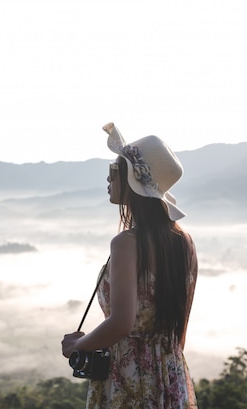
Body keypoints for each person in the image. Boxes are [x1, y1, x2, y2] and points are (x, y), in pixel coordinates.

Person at [61, 123, 198, 409]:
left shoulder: (125, 243)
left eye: (114, 172)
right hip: (171, 374)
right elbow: (180, 328)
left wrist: (78, 346)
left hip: (128, 376)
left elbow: (122, 323)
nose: (107, 179)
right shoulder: (184, 242)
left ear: (133, 182)